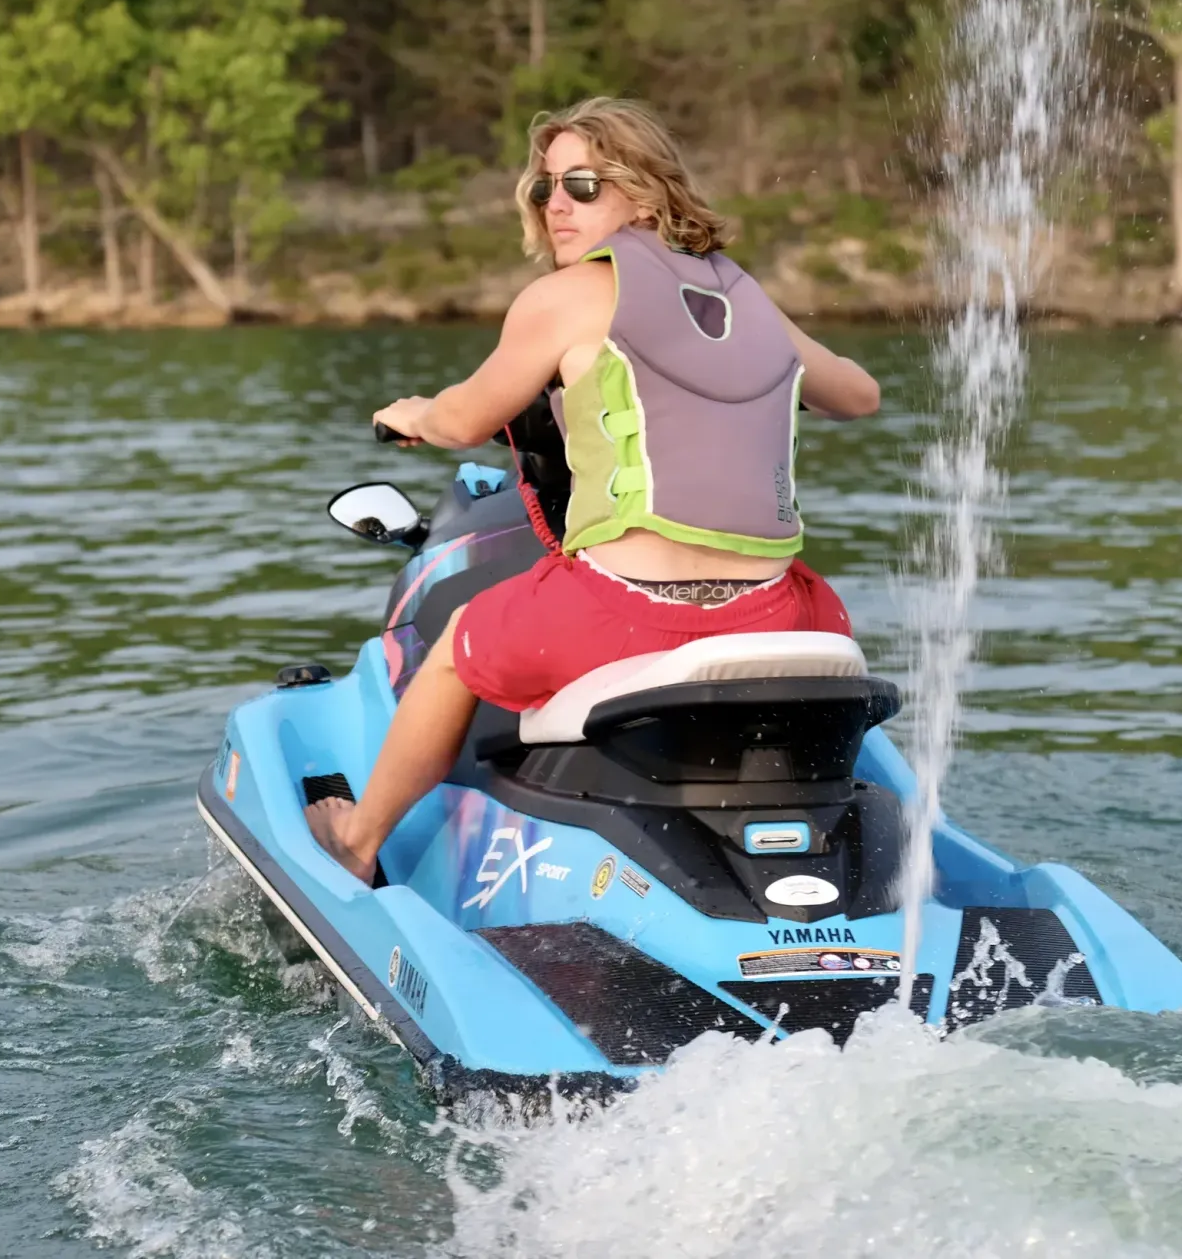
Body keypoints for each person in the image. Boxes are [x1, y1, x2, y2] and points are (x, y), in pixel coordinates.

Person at [305, 97, 881, 883]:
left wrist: (415, 413)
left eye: (582, 184)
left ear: (644, 192)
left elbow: (466, 416)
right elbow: (859, 395)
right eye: (544, 188)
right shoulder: (749, 300)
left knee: (456, 649)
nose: (556, 207)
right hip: (779, 606)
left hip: (625, 613)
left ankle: (358, 840)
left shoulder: (563, 298)